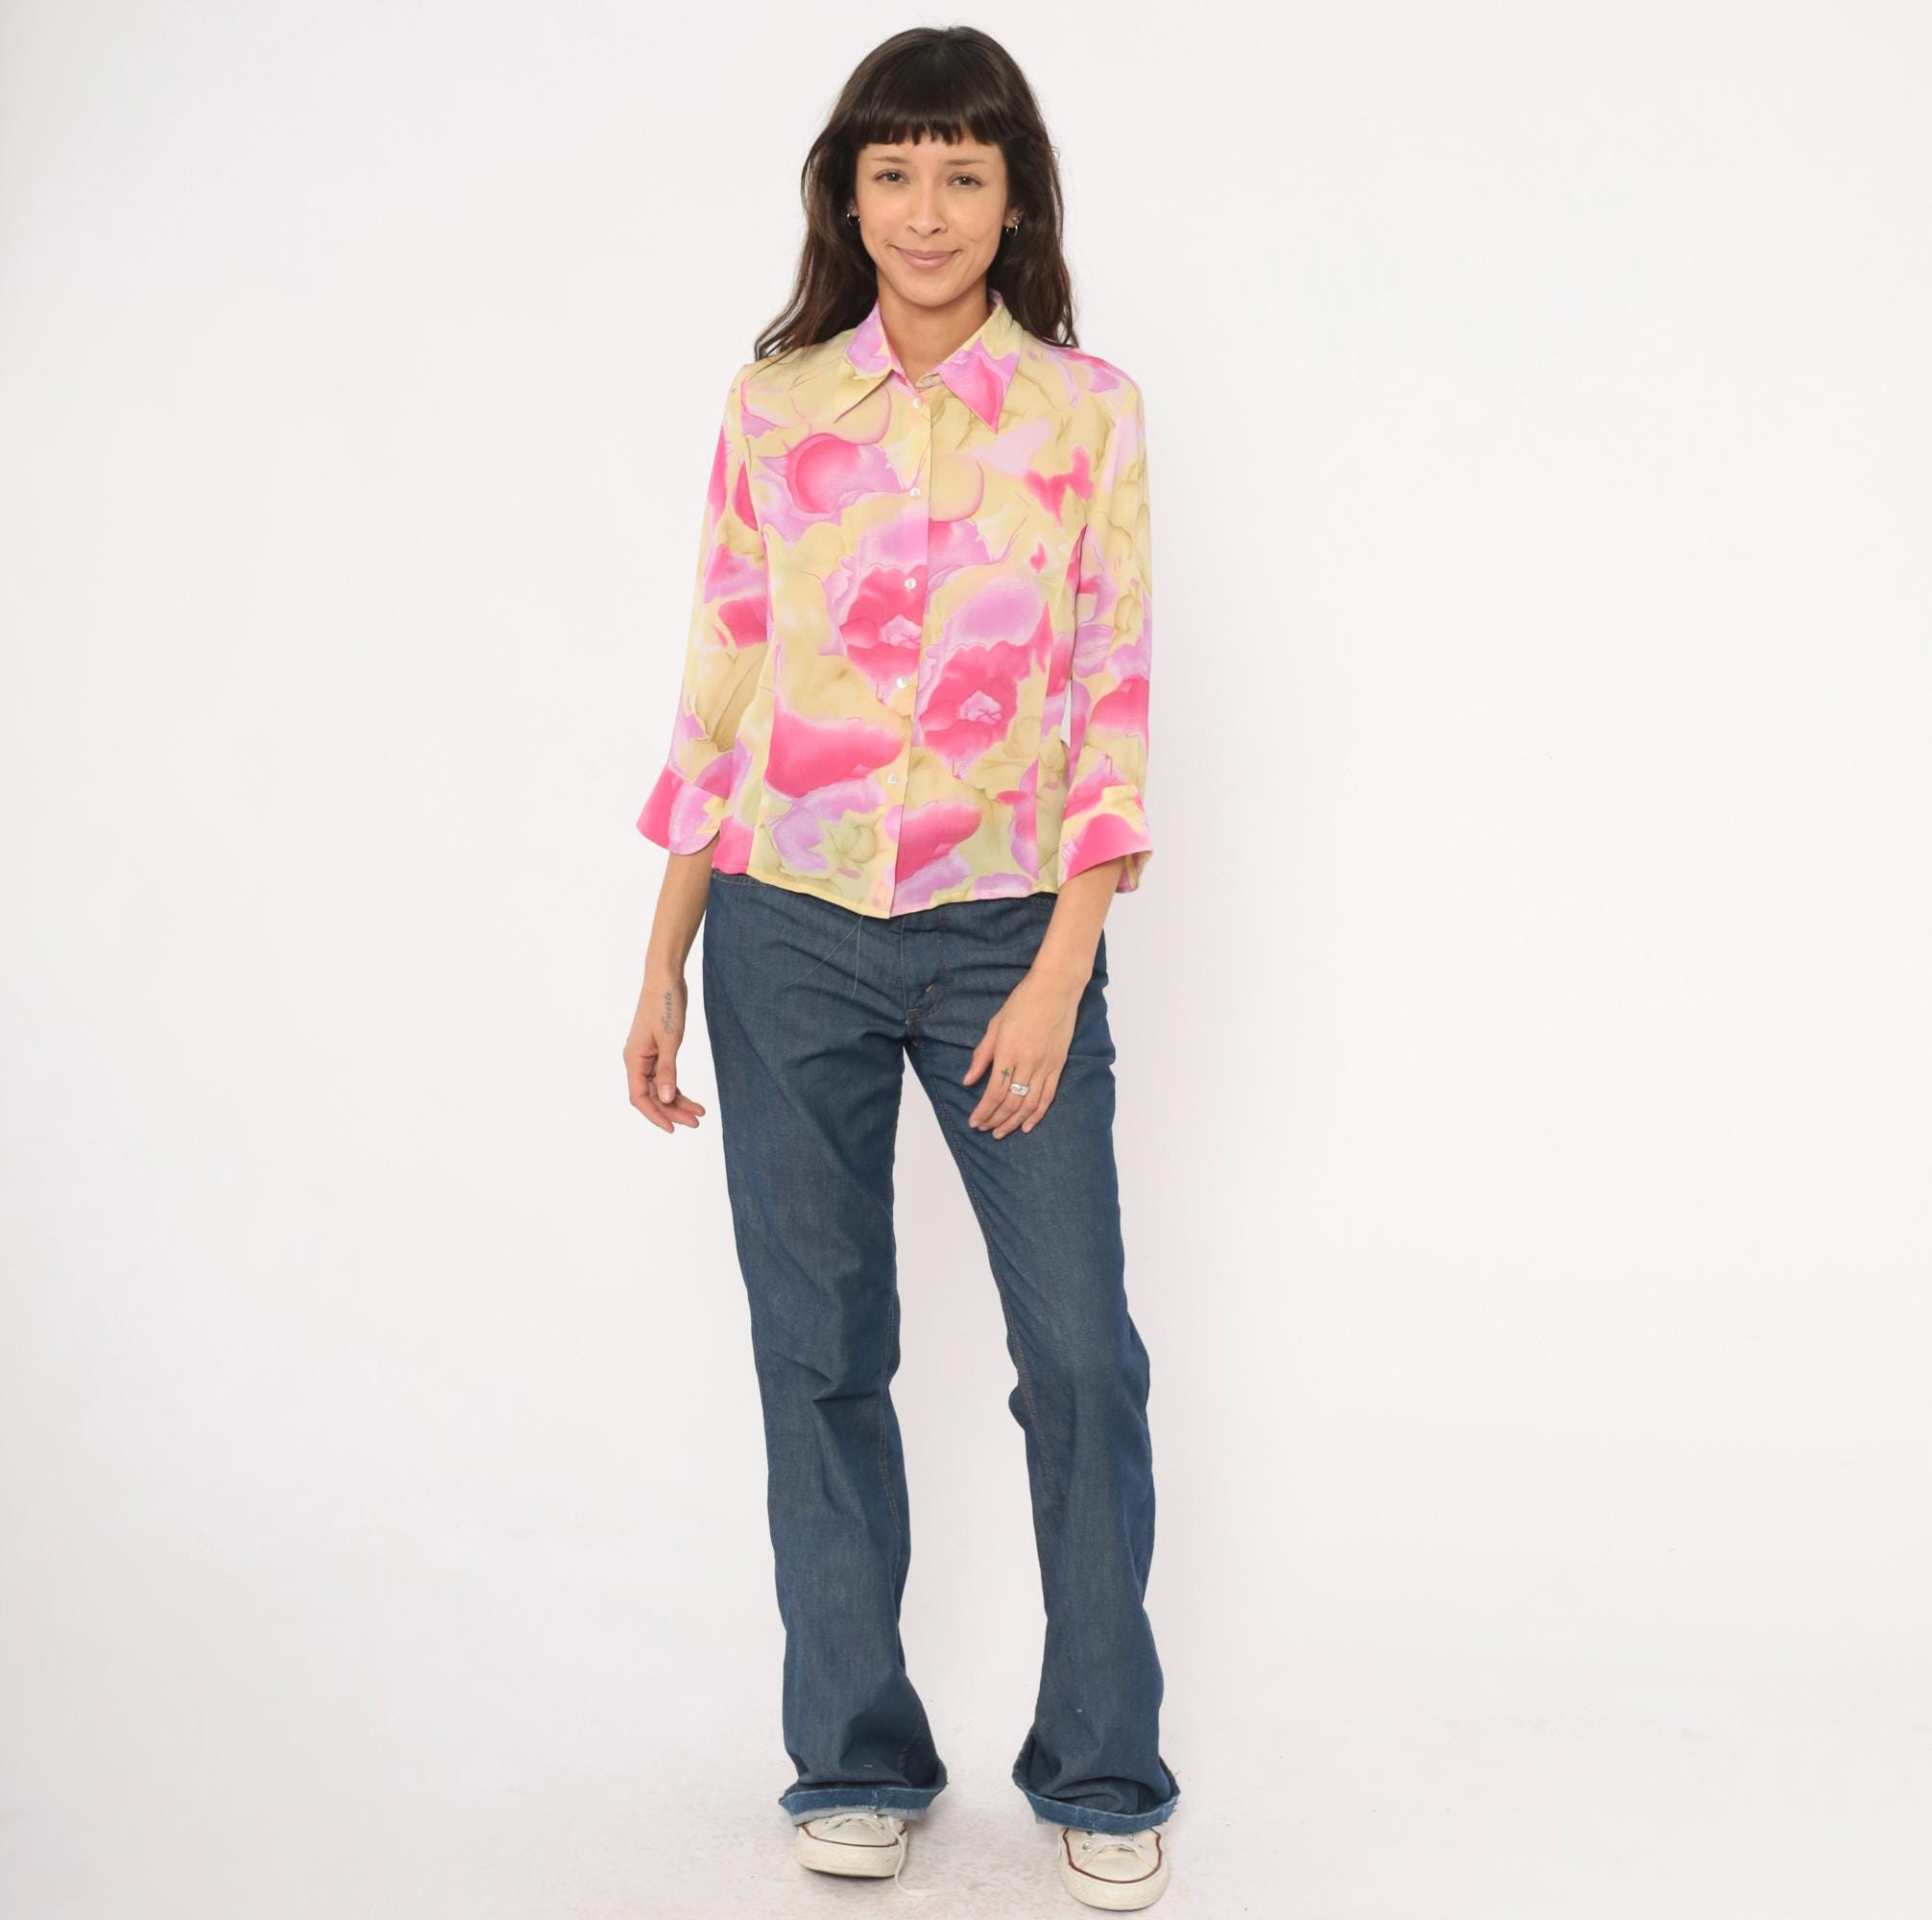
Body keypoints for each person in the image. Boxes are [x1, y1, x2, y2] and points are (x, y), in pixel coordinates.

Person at [622, 25, 1178, 1911]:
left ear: (1013, 199)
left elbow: (1110, 702)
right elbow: (721, 683)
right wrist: (662, 957)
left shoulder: (1087, 413)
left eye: (961, 172)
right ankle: (853, 1751)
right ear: (845, 198)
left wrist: (1060, 966)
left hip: (1011, 931)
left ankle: (1104, 1762)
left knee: (1081, 1356)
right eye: (892, 173)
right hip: (782, 932)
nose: (925, 209)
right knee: (819, 1350)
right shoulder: (775, 404)